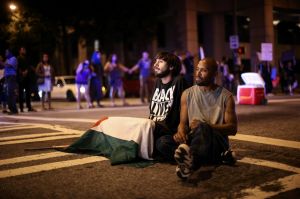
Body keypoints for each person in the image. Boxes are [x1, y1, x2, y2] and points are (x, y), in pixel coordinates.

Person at [173, 57, 238, 179]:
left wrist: (207, 126)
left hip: (217, 142)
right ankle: (215, 157)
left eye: (203, 70)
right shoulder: (187, 94)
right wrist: (181, 132)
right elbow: (183, 123)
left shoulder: (226, 96)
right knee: (163, 143)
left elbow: (233, 128)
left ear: (215, 73)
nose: (198, 73)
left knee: (203, 127)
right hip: (195, 139)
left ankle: (191, 163)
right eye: (197, 69)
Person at [149, 51, 188, 162]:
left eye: (160, 62)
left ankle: (189, 157)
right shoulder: (157, 82)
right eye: (155, 61)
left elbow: (186, 109)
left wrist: (182, 129)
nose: (155, 64)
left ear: (171, 66)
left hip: (169, 132)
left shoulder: (179, 81)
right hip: (154, 128)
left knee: (162, 144)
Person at [17, 47, 36, 112]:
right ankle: (21, 108)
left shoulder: (27, 58)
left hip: (27, 77)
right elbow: (17, 67)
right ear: (20, 51)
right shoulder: (18, 58)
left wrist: (27, 71)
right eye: (22, 50)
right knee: (21, 93)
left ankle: (29, 107)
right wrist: (22, 72)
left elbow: (29, 66)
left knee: (28, 93)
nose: (24, 51)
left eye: (24, 50)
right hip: (21, 78)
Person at [0, 49, 18, 115]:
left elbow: (8, 65)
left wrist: (1, 62)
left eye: (6, 52)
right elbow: (4, 66)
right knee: (7, 93)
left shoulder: (13, 58)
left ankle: (14, 110)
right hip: (7, 77)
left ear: (10, 52)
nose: (5, 53)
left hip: (11, 77)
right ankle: (11, 109)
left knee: (11, 93)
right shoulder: (7, 60)